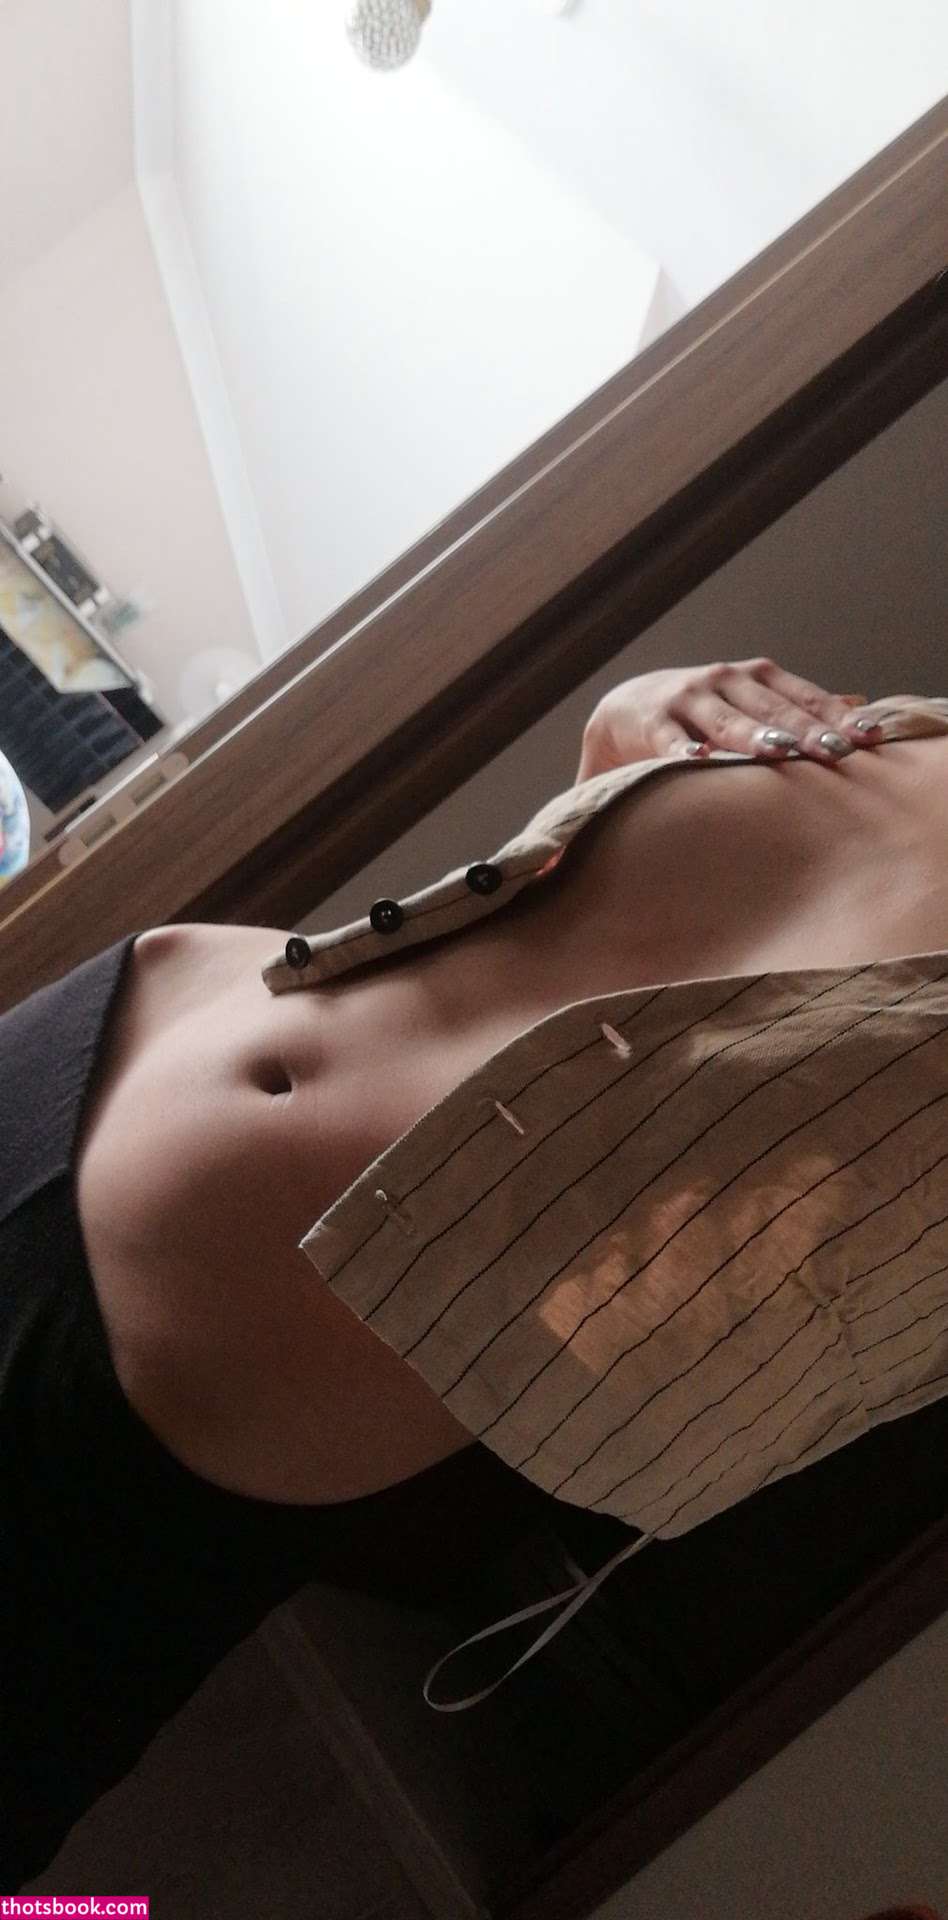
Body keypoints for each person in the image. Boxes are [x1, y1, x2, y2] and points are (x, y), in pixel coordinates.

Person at [2, 657, 946, 1885]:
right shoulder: (925, 725)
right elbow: (604, 970)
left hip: (154, 1364)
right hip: (113, 1033)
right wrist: (624, 733)